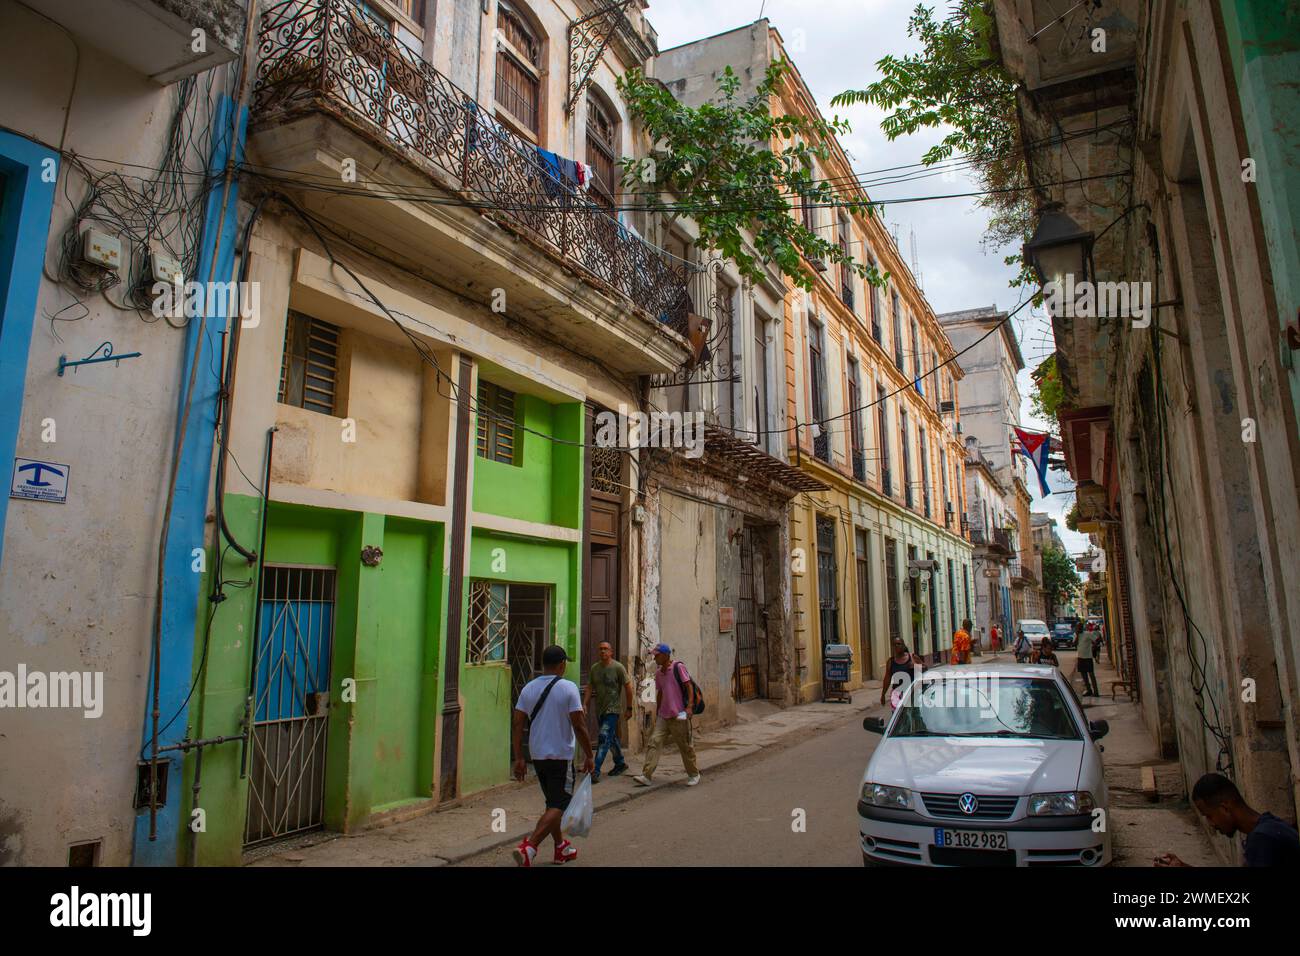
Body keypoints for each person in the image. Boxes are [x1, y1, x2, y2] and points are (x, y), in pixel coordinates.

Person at [511, 644, 594, 867]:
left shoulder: (528, 688)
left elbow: (518, 723)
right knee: (560, 804)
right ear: (561, 665)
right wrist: (589, 754)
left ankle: (561, 848)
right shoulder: (568, 688)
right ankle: (530, 847)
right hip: (560, 755)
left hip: (537, 755)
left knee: (552, 803)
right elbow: (579, 724)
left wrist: (519, 756)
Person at [1156, 773, 1300, 867]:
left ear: (1225, 808)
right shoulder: (1270, 826)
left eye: (1209, 816)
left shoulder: (1262, 840)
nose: (1211, 824)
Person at [631, 644, 701, 787]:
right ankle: (646, 775)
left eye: (657, 655)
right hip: (664, 715)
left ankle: (694, 774)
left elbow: (688, 686)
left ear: (665, 655)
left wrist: (689, 707)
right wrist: (658, 711)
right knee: (654, 742)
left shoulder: (677, 667)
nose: (654, 658)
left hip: (679, 713)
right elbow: (661, 692)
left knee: (685, 746)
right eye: (654, 655)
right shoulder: (658, 673)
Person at [583, 640, 633, 783]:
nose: (603, 651)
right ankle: (620, 763)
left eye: (605, 649)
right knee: (610, 738)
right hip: (600, 709)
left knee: (603, 737)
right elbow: (589, 687)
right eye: (600, 649)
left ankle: (595, 770)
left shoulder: (618, 667)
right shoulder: (595, 668)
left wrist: (629, 708)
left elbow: (628, 688)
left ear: (611, 652)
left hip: (613, 709)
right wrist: (585, 704)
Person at [880, 638, 923, 710]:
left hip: (912, 693)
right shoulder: (891, 661)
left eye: (898, 644)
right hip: (897, 695)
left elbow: (925, 668)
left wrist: (916, 666)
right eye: (894, 645)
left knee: (913, 717)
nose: (896, 646)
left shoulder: (912, 657)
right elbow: (887, 679)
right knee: (897, 717)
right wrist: (883, 694)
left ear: (903, 645)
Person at [1075, 624, 1100, 697]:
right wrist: (1077, 635)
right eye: (1077, 628)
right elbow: (1074, 644)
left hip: (1088, 658)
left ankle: (1096, 692)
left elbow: (1097, 640)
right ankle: (1089, 690)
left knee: (1091, 675)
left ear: (1082, 628)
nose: (1078, 629)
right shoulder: (1077, 636)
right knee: (1084, 676)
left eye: (1079, 627)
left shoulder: (1087, 634)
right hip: (1080, 658)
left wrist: (1094, 647)